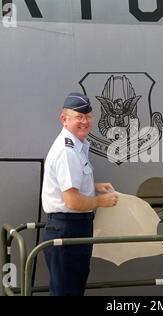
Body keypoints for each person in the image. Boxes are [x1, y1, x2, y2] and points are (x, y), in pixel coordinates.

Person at [42, 92, 118, 296]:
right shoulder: (67, 151)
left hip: (73, 227)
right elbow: (72, 201)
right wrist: (101, 201)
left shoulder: (76, 146)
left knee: (71, 290)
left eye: (89, 117)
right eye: (79, 117)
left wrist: (94, 186)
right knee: (66, 292)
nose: (85, 121)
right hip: (68, 228)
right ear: (64, 119)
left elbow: (69, 186)